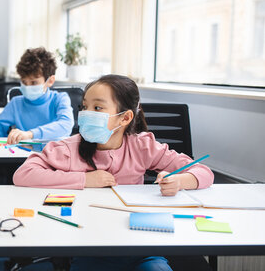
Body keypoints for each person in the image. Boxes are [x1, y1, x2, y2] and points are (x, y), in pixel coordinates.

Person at [13, 74, 214, 271]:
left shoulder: (142, 146)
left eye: (97, 108)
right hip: (90, 248)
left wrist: (179, 181)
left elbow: (203, 171)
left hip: (140, 247)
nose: (86, 113)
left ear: (125, 117)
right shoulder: (68, 148)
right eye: (85, 107)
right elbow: (24, 174)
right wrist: (84, 179)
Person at [0, 47, 74, 145]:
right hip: (24, 155)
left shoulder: (60, 99)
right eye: (24, 82)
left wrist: (30, 134)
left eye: (34, 82)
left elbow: (66, 125)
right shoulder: (16, 103)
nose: (27, 87)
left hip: (55, 155)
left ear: (50, 81)